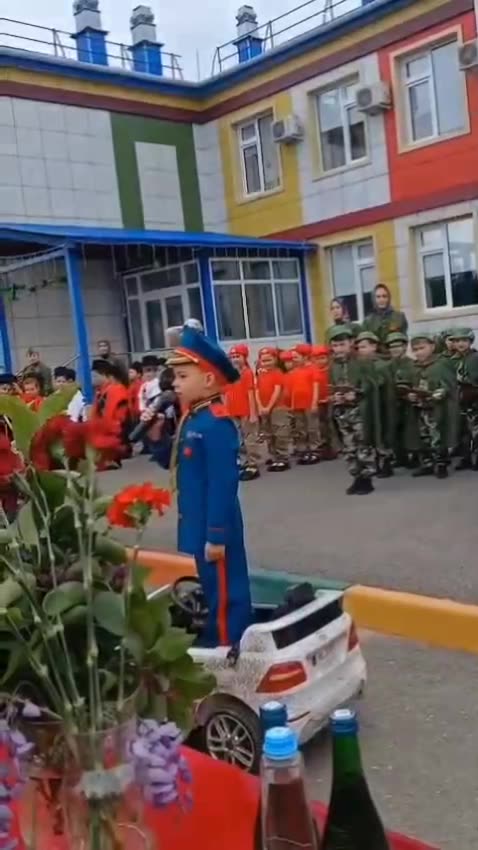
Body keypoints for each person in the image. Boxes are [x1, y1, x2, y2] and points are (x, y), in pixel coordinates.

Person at [144, 326, 252, 648]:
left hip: (214, 526)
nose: (174, 383)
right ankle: (220, 637)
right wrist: (155, 436)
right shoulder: (192, 419)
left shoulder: (216, 424)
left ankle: (227, 645)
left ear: (207, 380)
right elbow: (177, 464)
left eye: (182, 376)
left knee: (226, 590)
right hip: (198, 522)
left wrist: (216, 535)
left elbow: (223, 483)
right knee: (212, 584)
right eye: (174, 377)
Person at [329, 326, 377, 495]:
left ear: (351, 343)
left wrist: (356, 393)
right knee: (349, 446)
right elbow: (331, 386)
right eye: (335, 346)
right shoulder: (333, 365)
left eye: (342, 344)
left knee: (363, 444)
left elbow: (370, 384)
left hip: (359, 411)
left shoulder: (361, 362)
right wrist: (335, 397)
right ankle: (356, 477)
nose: (339, 349)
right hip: (342, 412)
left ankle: (367, 479)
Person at [405, 333, 456, 479]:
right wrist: (410, 395)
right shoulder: (413, 366)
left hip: (437, 409)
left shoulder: (442, 364)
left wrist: (435, 394)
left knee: (437, 436)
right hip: (419, 409)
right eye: (415, 349)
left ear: (432, 347)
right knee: (423, 437)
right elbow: (408, 385)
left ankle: (441, 464)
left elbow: (449, 386)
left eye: (422, 348)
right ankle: (427, 463)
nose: (419, 352)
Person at [356, 331, 394, 478]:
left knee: (383, 434)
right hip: (367, 405)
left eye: (364, 346)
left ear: (374, 346)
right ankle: (375, 462)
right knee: (369, 434)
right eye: (359, 347)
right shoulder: (359, 365)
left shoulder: (383, 365)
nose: (361, 350)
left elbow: (384, 384)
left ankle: (386, 463)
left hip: (382, 405)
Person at [225, 345, 261, 482]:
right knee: (238, 439)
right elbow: (226, 394)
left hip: (246, 411)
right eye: (232, 357)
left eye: (237, 356)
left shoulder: (247, 373)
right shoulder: (229, 375)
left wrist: (253, 413)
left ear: (244, 357)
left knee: (250, 438)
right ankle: (245, 460)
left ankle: (253, 464)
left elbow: (250, 393)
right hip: (233, 412)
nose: (235, 359)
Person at [255, 347, 290, 472]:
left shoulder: (278, 373)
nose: (266, 363)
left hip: (277, 407)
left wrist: (269, 406)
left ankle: (282, 457)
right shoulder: (260, 374)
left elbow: (277, 391)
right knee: (268, 433)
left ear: (275, 360)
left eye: (269, 360)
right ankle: (273, 454)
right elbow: (257, 391)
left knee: (280, 431)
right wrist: (260, 406)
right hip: (264, 409)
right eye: (263, 361)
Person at [91, 359, 130, 465]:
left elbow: (115, 415)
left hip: (115, 430)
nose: (92, 379)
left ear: (104, 375)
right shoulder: (101, 392)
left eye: (95, 376)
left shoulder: (115, 390)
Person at [385, 332, 415, 468]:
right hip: (393, 402)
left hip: (409, 402)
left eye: (397, 346)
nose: (394, 349)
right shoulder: (387, 366)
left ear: (404, 346)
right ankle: (400, 457)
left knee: (411, 430)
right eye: (391, 347)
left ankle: (415, 456)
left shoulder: (412, 364)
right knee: (394, 429)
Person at [449, 328, 478, 471]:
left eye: (464, 340)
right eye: (457, 341)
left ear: (470, 341)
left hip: (474, 399)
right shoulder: (452, 360)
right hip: (458, 400)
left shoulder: (475, 357)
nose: (460, 343)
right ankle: (465, 458)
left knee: (476, 431)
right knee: (462, 432)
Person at [289, 344, 320, 465]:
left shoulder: (313, 369)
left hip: (309, 403)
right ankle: (303, 449)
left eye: (296, 357)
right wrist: (292, 404)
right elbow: (293, 390)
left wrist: (314, 403)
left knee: (312, 427)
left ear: (305, 357)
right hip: (297, 404)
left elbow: (315, 387)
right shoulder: (295, 371)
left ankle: (315, 449)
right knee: (300, 428)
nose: (294, 360)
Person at [362, 284, 408, 354]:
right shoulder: (368, 321)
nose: (381, 300)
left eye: (384, 296)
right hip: (377, 358)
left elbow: (404, 339)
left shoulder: (399, 316)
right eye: (378, 297)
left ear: (389, 298)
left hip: (396, 355)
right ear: (374, 299)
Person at [311, 344, 337, 460]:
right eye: (316, 358)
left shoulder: (331, 370)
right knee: (321, 425)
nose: (320, 361)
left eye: (322, 358)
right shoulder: (313, 371)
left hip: (330, 400)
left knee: (331, 423)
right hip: (318, 401)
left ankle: (334, 447)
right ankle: (325, 446)